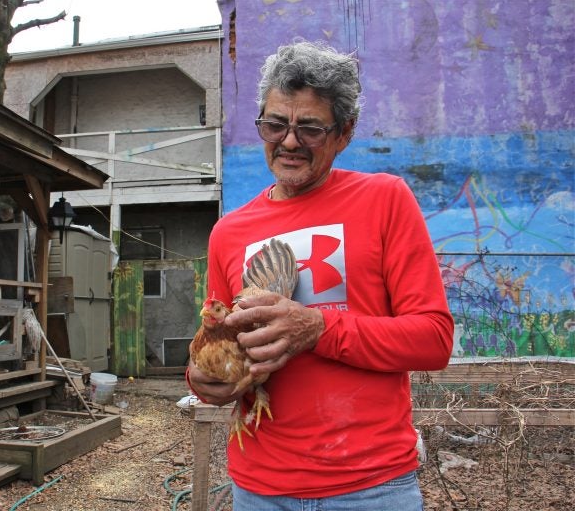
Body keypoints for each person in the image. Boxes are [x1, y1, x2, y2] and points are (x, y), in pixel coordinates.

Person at [186, 40, 453, 510]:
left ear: (344, 132)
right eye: (274, 124)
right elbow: (219, 336)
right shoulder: (228, 231)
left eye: (309, 127)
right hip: (260, 488)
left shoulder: (385, 199)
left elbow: (433, 339)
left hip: (372, 487)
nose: (288, 141)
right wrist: (200, 380)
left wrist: (318, 328)